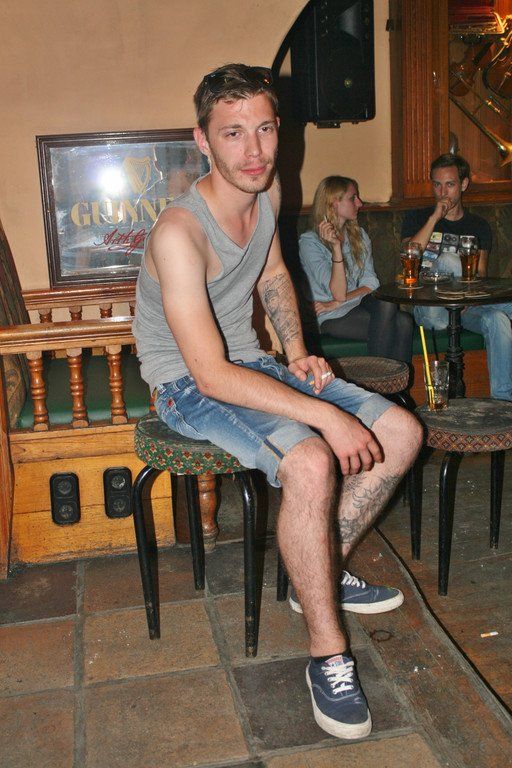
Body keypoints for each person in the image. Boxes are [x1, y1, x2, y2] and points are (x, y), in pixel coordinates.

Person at [133, 63, 422, 740]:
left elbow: (271, 272)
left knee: (402, 433)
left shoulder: (267, 189)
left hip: (256, 365)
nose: (254, 150)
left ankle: (316, 569)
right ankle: (328, 656)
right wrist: (322, 413)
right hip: (189, 386)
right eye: (233, 133)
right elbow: (210, 376)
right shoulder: (180, 233)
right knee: (313, 461)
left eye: (264, 129)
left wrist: (296, 355)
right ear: (202, 140)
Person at [402, 153, 512, 401]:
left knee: (498, 319)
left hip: (465, 308)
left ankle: (503, 402)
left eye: (450, 185)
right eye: (437, 184)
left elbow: (480, 273)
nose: (443, 193)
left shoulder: (479, 225)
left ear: (463, 185)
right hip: (430, 309)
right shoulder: (417, 218)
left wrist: (466, 298)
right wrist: (434, 218)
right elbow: (410, 253)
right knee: (450, 260)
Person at [299, 176, 413, 364]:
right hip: (330, 317)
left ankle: (385, 380)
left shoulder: (359, 236)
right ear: (334, 203)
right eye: (353, 198)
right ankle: (386, 380)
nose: (359, 203)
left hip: (353, 305)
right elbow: (337, 292)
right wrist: (336, 248)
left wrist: (337, 302)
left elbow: (371, 283)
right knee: (403, 322)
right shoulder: (310, 243)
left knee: (388, 304)